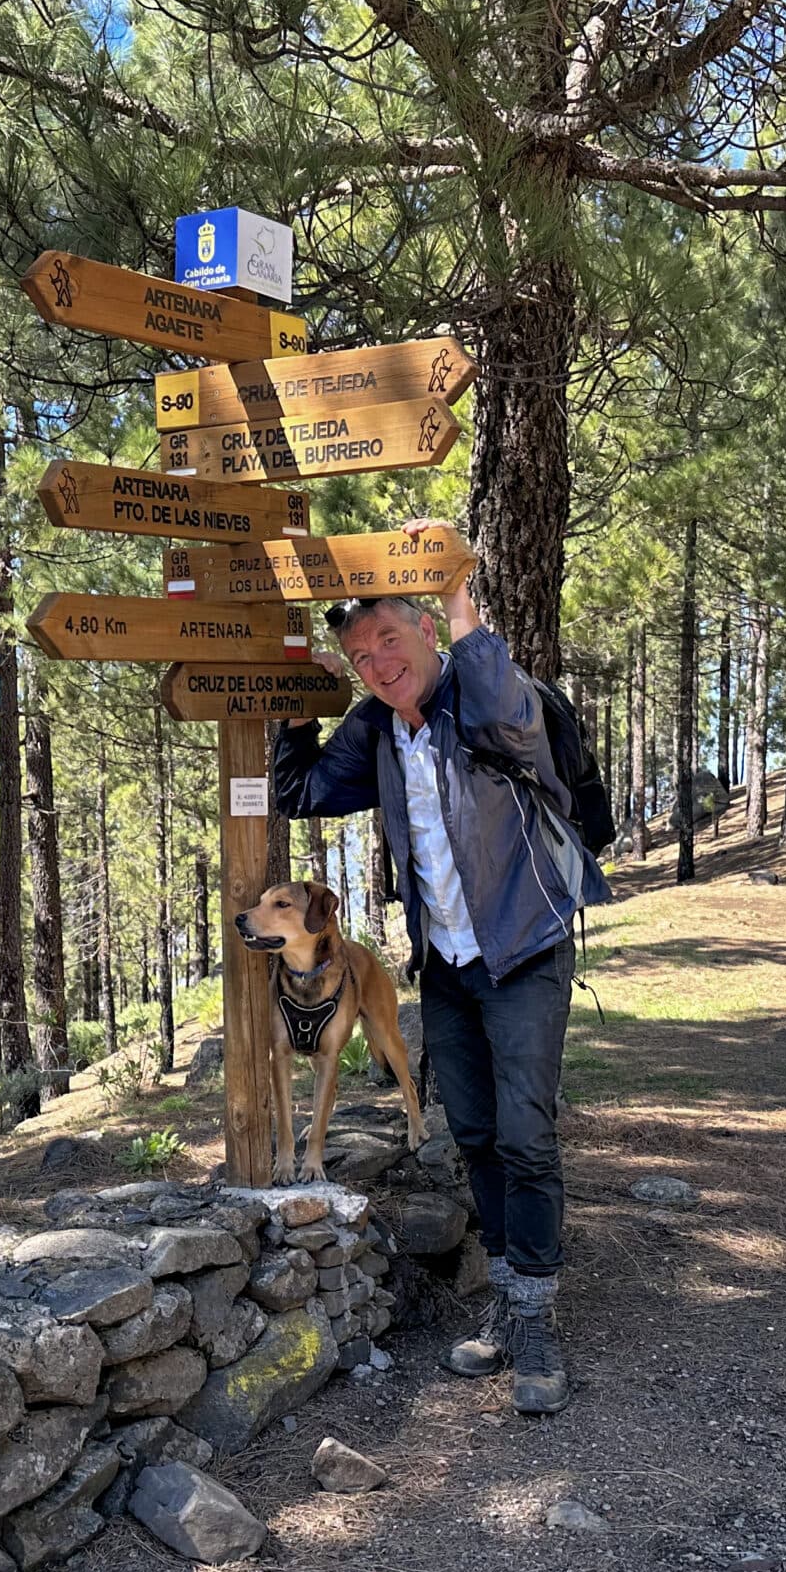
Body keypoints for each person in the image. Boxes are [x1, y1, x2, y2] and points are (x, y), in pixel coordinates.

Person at [271, 550, 609, 1414]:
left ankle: (534, 1321)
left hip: (525, 951)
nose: (381, 665)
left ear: (424, 630)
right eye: (362, 659)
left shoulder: (484, 699)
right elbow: (301, 792)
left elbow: (506, 704)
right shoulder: (378, 726)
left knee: (527, 1136)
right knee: (477, 1135)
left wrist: (460, 599)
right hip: (447, 966)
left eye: (391, 639)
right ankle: (507, 1295)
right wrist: (299, 699)